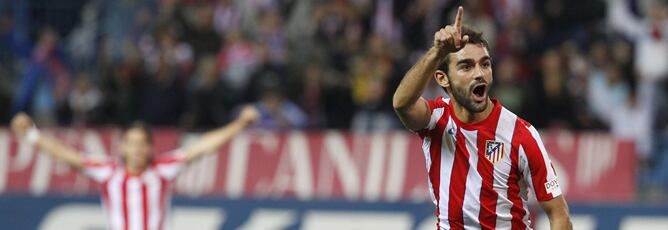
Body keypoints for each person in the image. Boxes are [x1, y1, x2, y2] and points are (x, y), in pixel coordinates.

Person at [392, 7, 572, 230]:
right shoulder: (436, 119)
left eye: (485, 64)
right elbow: (402, 103)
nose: (479, 73)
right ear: (442, 79)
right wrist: (437, 52)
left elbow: (559, 215)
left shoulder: (521, 134)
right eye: (466, 66)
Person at [10, 106, 259, 230]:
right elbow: (68, 156)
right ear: (123, 147)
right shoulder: (109, 172)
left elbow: (203, 147)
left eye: (142, 144)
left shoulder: (162, 169)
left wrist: (240, 124)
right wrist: (31, 135)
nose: (137, 150)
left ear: (150, 148)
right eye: (131, 144)